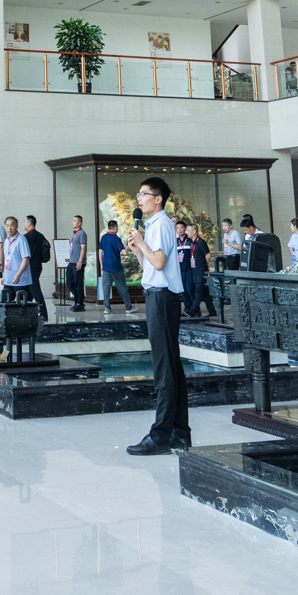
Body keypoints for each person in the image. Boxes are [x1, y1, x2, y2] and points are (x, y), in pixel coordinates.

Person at [125, 176, 191, 456]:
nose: (139, 199)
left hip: (162, 299)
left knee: (164, 367)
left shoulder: (162, 224)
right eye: (138, 194)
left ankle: (160, 435)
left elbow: (161, 262)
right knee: (172, 366)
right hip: (157, 296)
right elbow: (151, 266)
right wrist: (138, 250)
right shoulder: (153, 225)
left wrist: (142, 242)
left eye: (144, 194)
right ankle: (180, 432)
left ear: (158, 198)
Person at [97, 220, 129, 311]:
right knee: (122, 287)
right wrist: (129, 246)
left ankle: (107, 307)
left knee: (106, 288)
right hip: (116, 267)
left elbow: (100, 252)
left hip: (106, 267)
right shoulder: (116, 238)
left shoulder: (103, 237)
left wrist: (101, 265)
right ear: (115, 228)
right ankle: (128, 307)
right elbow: (124, 252)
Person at [23, 215, 51, 315]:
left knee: (35, 290)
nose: (24, 224)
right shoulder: (40, 236)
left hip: (29, 267)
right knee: (29, 291)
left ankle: (43, 314)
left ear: (29, 223)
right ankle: (26, 312)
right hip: (38, 266)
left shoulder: (25, 237)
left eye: (24, 222)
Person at [64, 215, 87, 313]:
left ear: (79, 223)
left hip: (78, 262)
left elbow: (83, 248)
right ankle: (78, 300)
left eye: (74, 221)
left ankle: (79, 303)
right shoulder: (75, 234)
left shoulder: (82, 233)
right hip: (72, 262)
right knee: (69, 282)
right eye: (72, 221)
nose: (72, 222)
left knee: (78, 283)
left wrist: (80, 261)